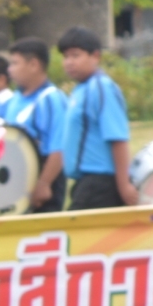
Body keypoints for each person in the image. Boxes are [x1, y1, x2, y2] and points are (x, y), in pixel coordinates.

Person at [57, 26, 137, 210]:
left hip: (100, 184)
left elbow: (117, 138)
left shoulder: (101, 88)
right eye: (65, 57)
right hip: (84, 183)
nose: (69, 62)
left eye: (75, 55)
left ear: (95, 56)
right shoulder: (80, 90)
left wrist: (124, 184)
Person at [1, 38, 66, 211]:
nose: (10, 70)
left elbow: (59, 148)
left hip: (41, 180)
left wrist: (43, 184)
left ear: (34, 65)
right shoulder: (15, 99)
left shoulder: (51, 99)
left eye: (15, 63)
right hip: (13, 179)